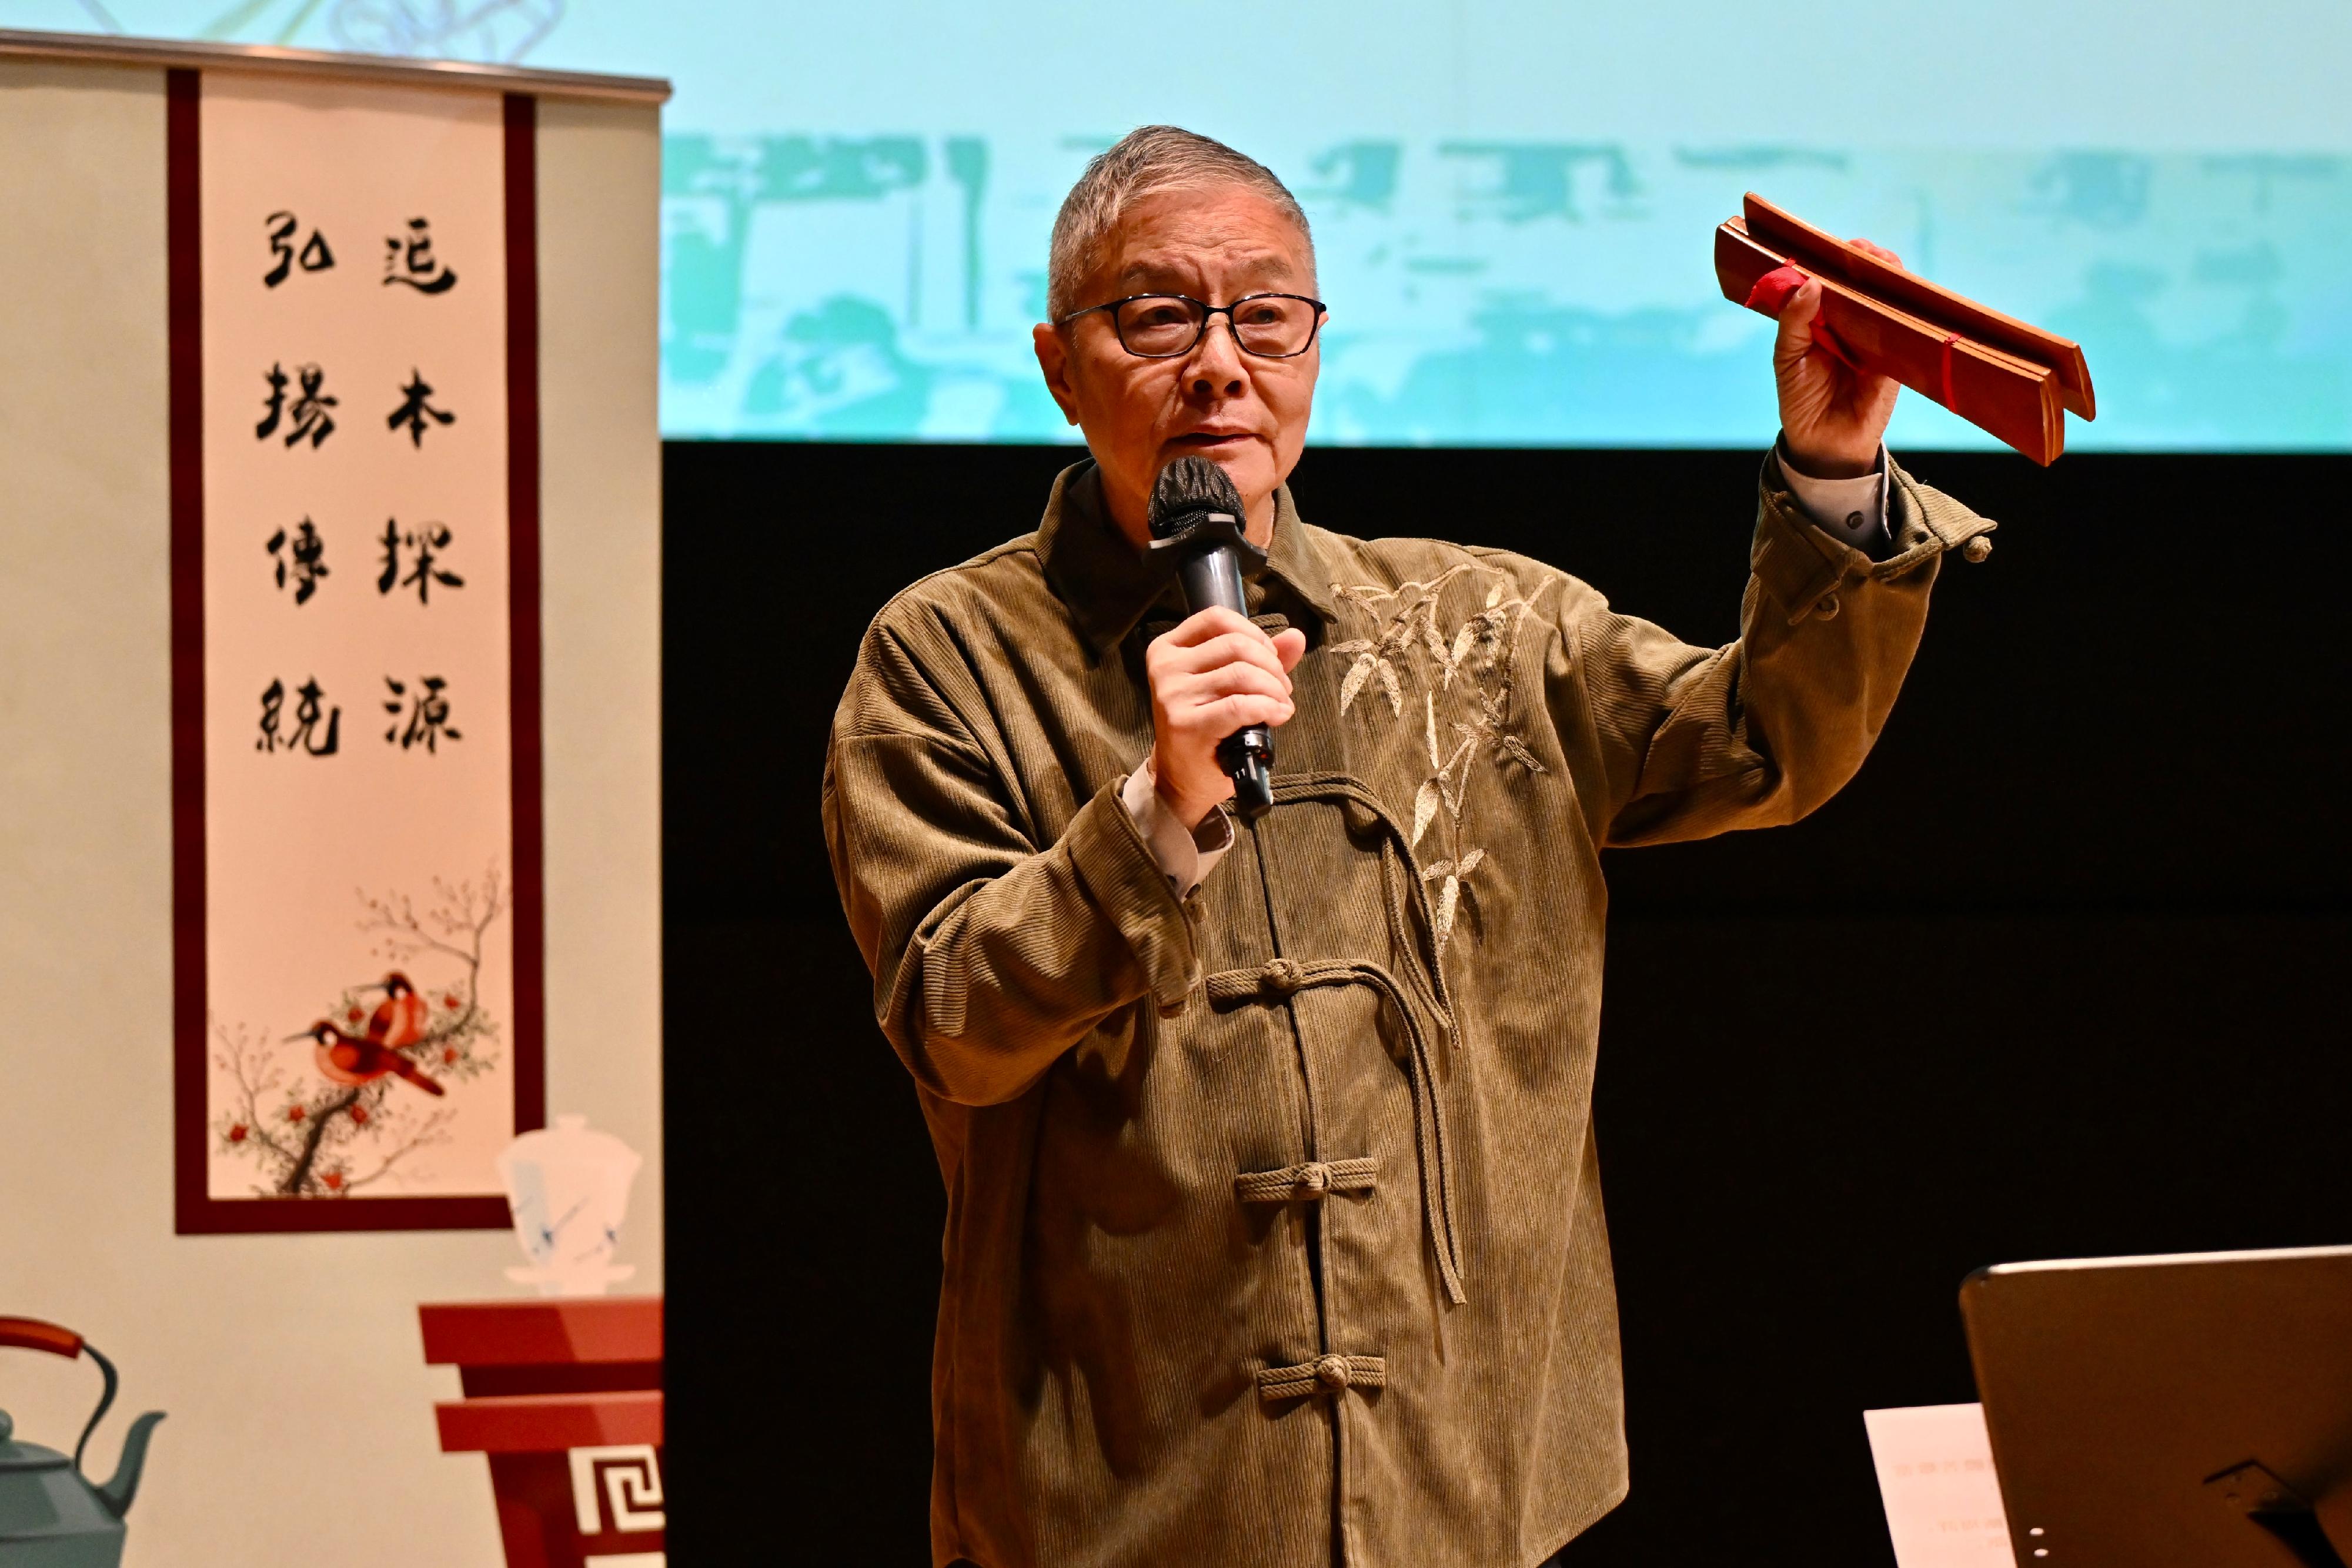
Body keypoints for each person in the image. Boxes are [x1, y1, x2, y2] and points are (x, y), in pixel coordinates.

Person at [824, 125, 1995, 1568]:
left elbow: (1759, 740)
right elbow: (951, 1019)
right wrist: (1148, 816)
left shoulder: (1481, 629)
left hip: (1461, 1490)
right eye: (1154, 314)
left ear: (1312, 347)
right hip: (1120, 1503)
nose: (1217, 363)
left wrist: (1830, 462)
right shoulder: (947, 655)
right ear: (1059, 363)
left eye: (1264, 315)